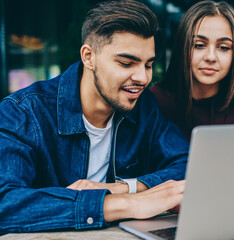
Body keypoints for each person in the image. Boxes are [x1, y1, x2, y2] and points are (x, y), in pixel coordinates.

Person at [0, 0, 189, 234]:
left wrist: (123, 189)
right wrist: (123, 204)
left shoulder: (143, 106)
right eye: (126, 63)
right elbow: (5, 203)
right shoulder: (23, 112)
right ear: (89, 57)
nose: (142, 77)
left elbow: (188, 165)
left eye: (148, 64)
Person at [151, 1, 234, 140]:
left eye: (223, 47)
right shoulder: (153, 104)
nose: (211, 57)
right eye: (199, 45)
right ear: (182, 48)